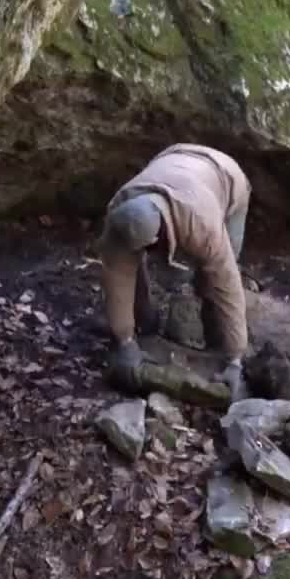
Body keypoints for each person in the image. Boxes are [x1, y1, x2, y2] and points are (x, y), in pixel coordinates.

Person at [97, 143, 252, 401]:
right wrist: (124, 341)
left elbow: (227, 283)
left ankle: (219, 340)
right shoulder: (120, 212)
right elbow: (118, 274)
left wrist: (236, 360)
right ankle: (145, 323)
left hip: (225, 175)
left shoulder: (201, 224)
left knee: (213, 278)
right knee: (128, 266)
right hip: (172, 158)